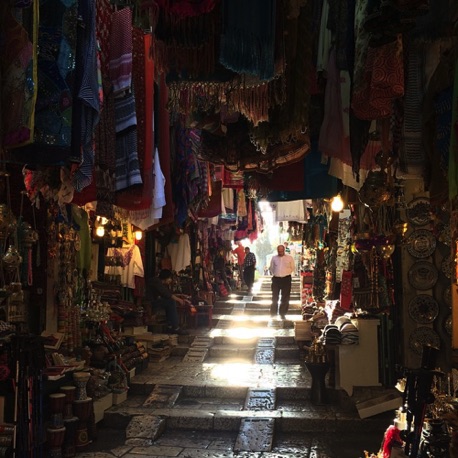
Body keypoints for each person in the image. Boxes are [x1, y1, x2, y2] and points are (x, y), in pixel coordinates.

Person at [149, 269, 189, 335]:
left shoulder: (160, 283)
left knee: (170, 301)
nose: (170, 280)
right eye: (170, 278)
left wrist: (180, 296)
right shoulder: (156, 281)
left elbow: (167, 293)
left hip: (156, 301)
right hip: (152, 302)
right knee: (171, 302)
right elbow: (166, 294)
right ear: (166, 277)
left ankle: (170, 326)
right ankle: (175, 327)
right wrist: (179, 300)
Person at [269, 244, 295, 320]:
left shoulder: (289, 258)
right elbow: (271, 268)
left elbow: (292, 268)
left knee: (285, 297)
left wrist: (286, 273)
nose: (280, 252)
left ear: (284, 250)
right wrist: (276, 274)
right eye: (279, 251)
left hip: (286, 279)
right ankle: (273, 312)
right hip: (276, 279)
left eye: (281, 251)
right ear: (277, 251)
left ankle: (282, 313)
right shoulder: (274, 258)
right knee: (274, 297)